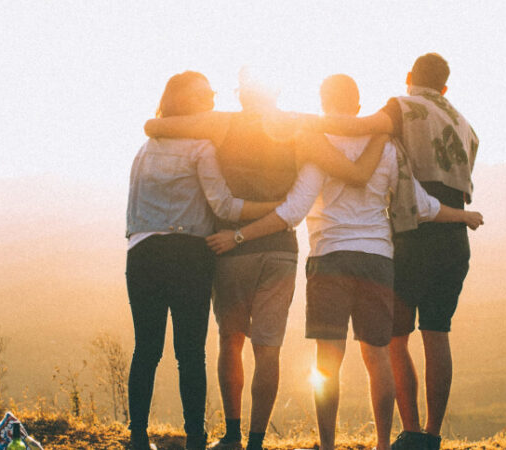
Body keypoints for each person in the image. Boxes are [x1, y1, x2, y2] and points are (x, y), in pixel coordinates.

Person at [206, 74, 483, 450]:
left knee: (327, 361)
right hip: (377, 260)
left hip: (329, 258)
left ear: (323, 103)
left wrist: (240, 235)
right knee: (378, 356)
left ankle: (327, 445)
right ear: (358, 105)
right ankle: (382, 444)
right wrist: (462, 215)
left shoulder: (319, 146)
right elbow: (419, 205)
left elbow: (293, 211)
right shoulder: (387, 146)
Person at [143, 70, 387, 450]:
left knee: (230, 341)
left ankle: (232, 436)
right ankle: (256, 441)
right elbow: (353, 169)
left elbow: (154, 126)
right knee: (268, 349)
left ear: (242, 95)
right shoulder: (299, 128)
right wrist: (382, 127)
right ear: (276, 91)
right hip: (279, 251)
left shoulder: (221, 123)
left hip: (231, 248)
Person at [314, 53, 480, 450]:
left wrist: (301, 124)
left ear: (409, 77)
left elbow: (357, 127)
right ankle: (432, 436)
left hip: (411, 234)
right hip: (453, 235)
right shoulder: (464, 124)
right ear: (444, 87)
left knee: (395, 338)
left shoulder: (401, 107)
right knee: (437, 334)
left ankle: (410, 431)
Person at [125, 71, 281, 450]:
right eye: (203, 94)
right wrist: (275, 208)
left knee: (146, 349)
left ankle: (138, 438)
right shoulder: (201, 147)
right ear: (185, 101)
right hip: (188, 254)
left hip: (142, 253)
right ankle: (195, 438)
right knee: (190, 353)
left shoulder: (145, 149)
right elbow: (224, 206)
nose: (212, 98)